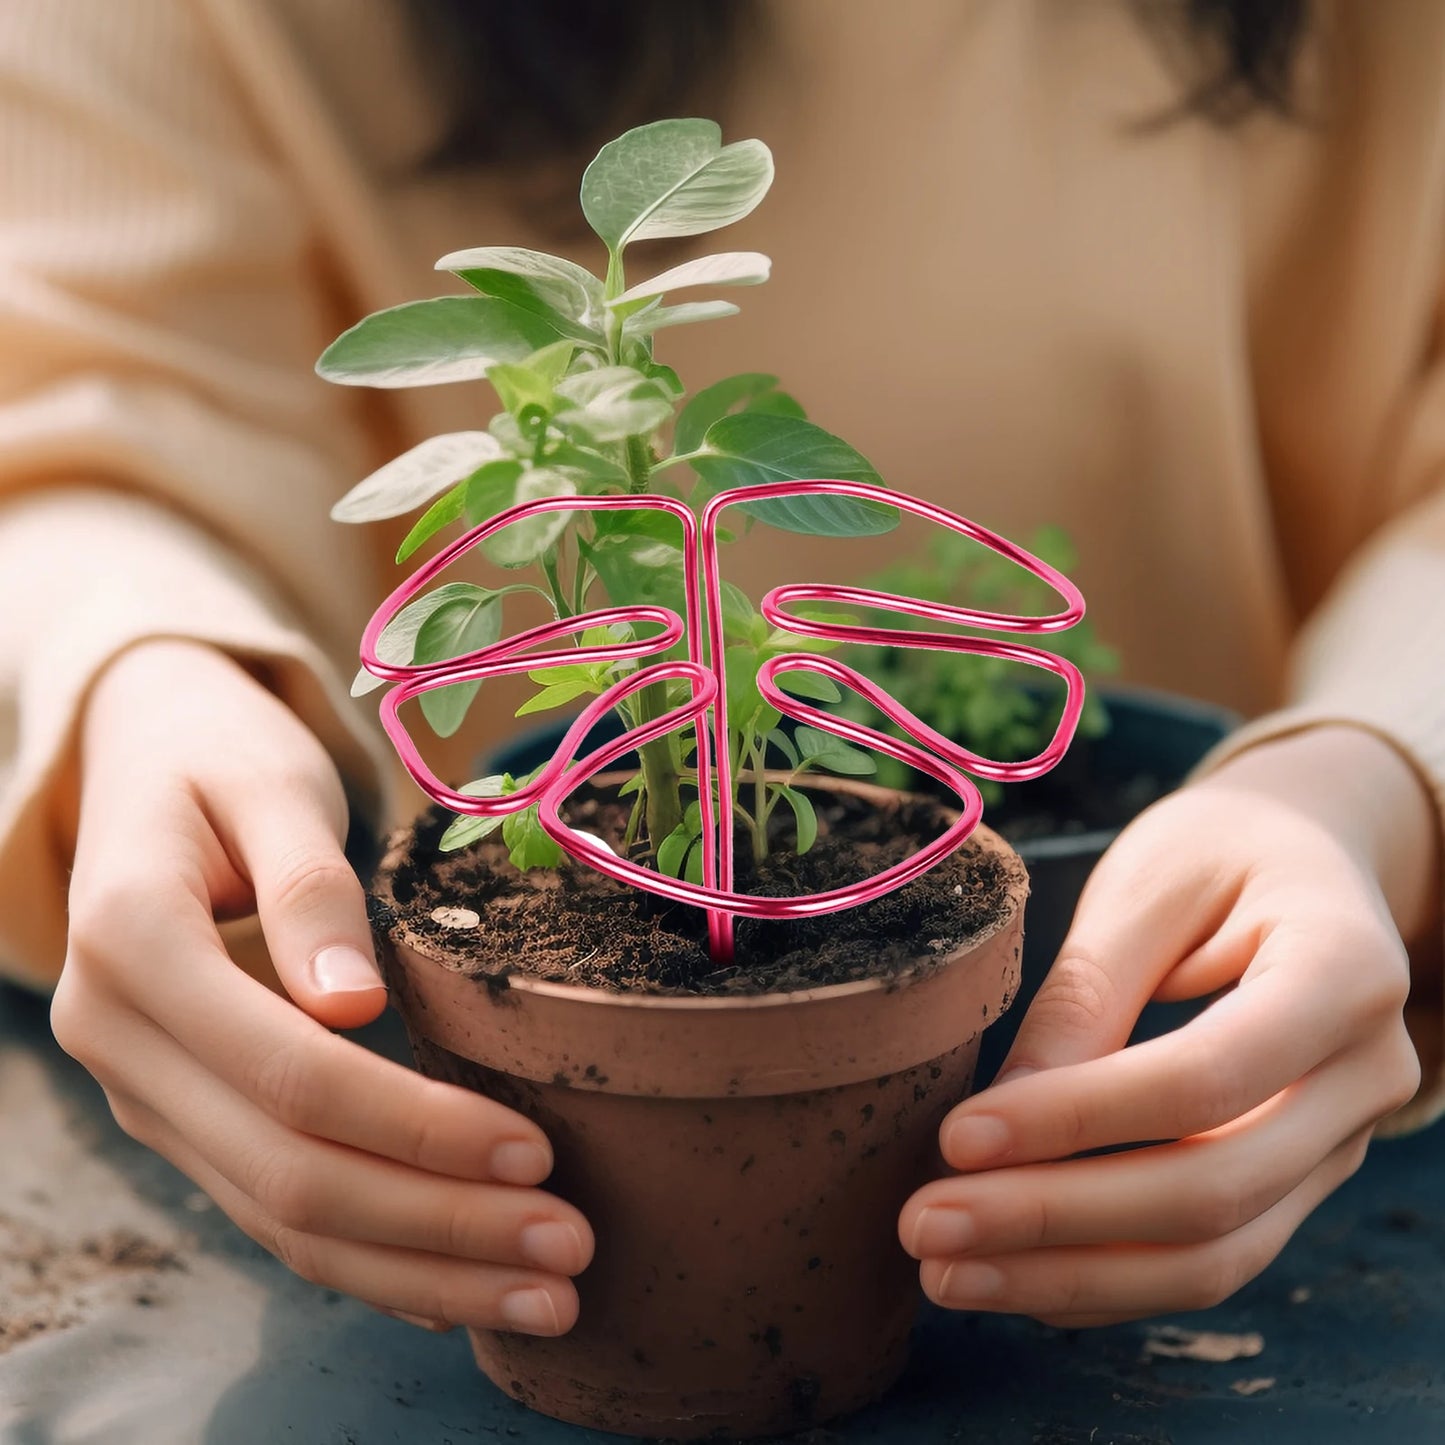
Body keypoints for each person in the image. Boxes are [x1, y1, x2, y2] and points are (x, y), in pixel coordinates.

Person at [0, 0, 1439, 1341]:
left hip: (1292, 1136)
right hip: (420, 1186)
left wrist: (1373, 773)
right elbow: (83, 409)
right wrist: (145, 664)